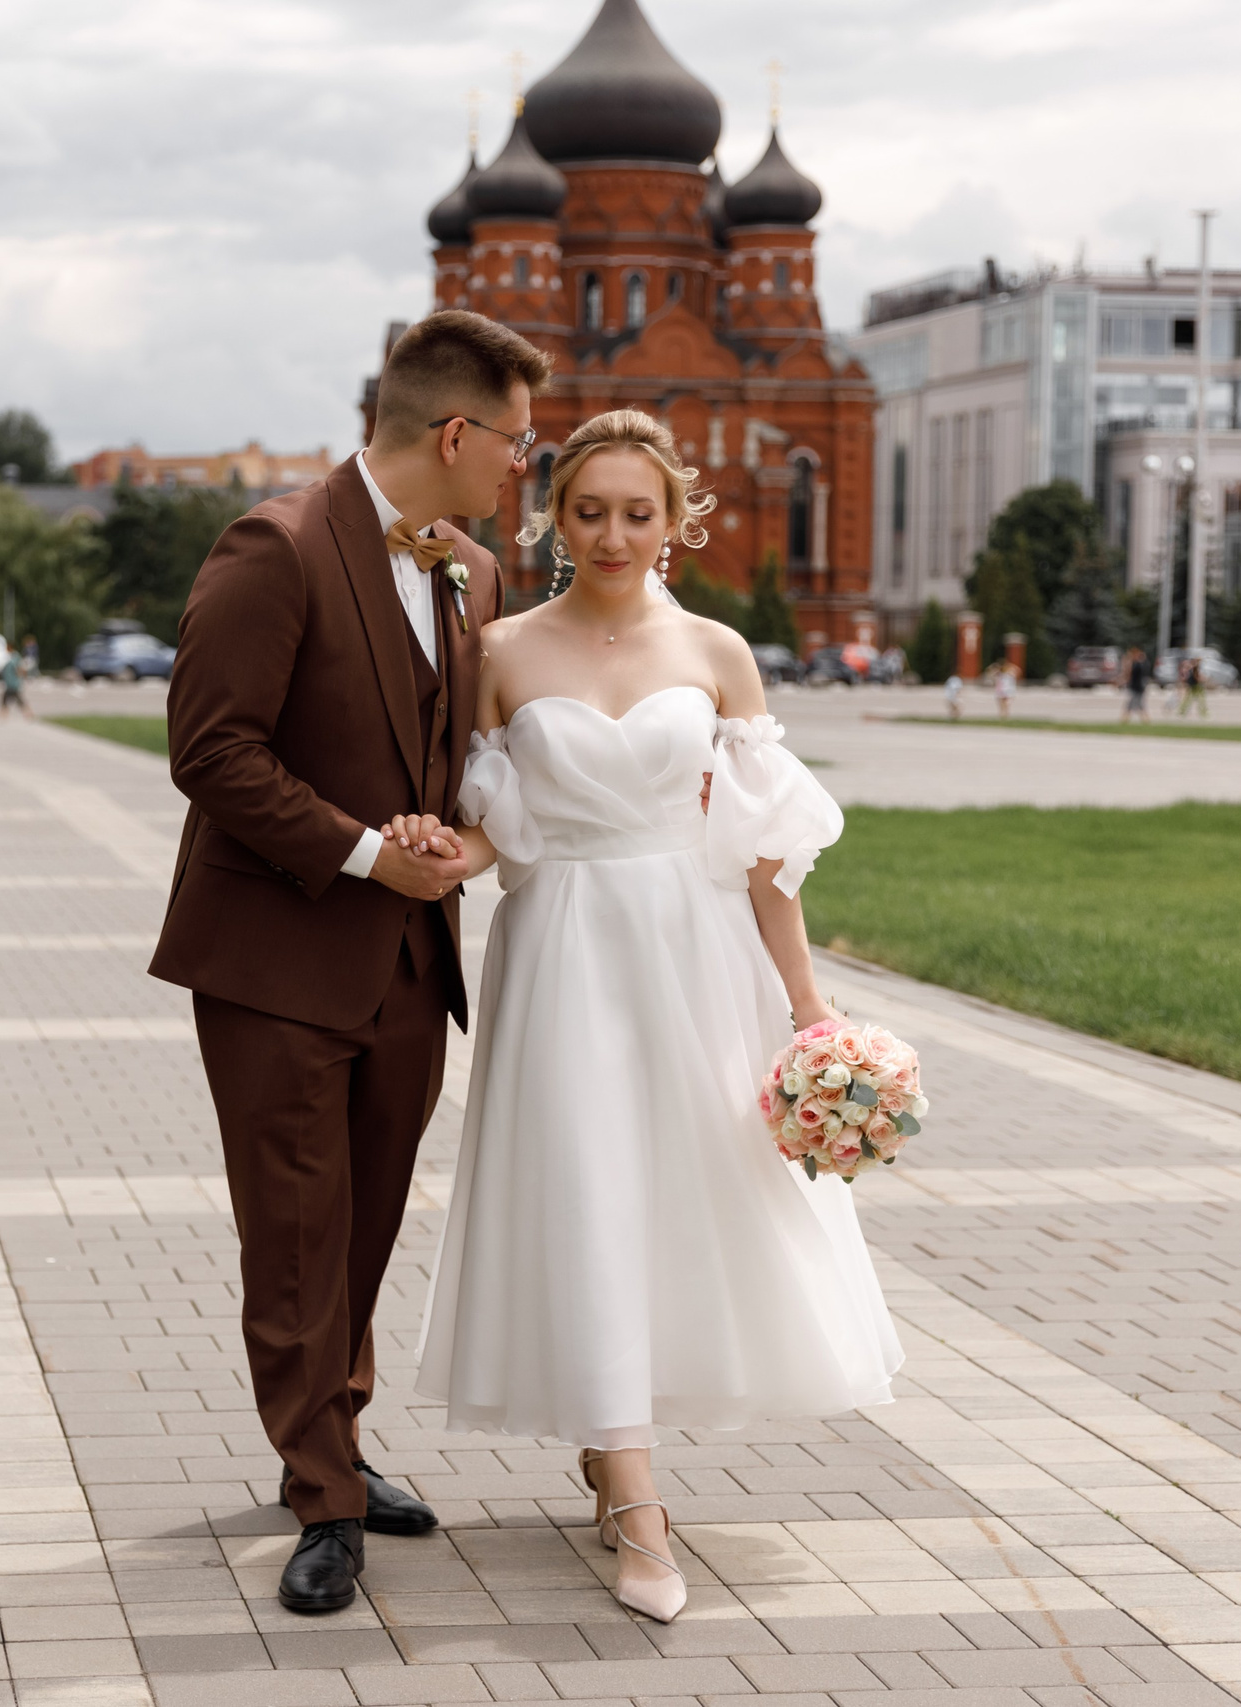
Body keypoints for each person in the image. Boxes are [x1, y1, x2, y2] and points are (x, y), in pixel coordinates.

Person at [388, 411, 901, 1624]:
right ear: (552, 517)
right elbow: (489, 828)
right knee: (588, 1195)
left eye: (636, 511)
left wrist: (811, 1011)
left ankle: (618, 1446)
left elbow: (765, 856)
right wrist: (423, 849)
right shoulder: (499, 651)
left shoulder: (720, 652)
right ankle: (634, 1503)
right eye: (586, 510)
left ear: (675, 521)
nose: (611, 534)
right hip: (564, 951)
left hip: (697, 947)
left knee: (687, 1199)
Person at [149, 312, 541, 1616]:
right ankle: (321, 1487)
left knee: (364, 1224)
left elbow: (428, 748)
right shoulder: (278, 546)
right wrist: (371, 852)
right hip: (276, 956)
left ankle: (335, 1436)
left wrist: (436, 833)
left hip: (408, 966)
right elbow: (212, 748)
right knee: (298, 1235)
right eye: (515, 443)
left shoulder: (469, 573)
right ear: (452, 432)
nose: (517, 470)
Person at [0, 644, 32, 720]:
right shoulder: (11, 658)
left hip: (13, 684)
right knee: (11, 700)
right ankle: (28, 714)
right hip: (10, 683)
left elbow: (20, 669)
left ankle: (3, 716)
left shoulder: (15, 658)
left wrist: (21, 678)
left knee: (12, 700)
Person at [1121, 646, 1152, 723]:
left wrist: (1126, 663)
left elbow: (1129, 674)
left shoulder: (1137, 665)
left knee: (1132, 704)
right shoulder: (1141, 664)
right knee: (1138, 704)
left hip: (1137, 687)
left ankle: (1125, 719)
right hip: (1138, 687)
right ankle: (1145, 720)